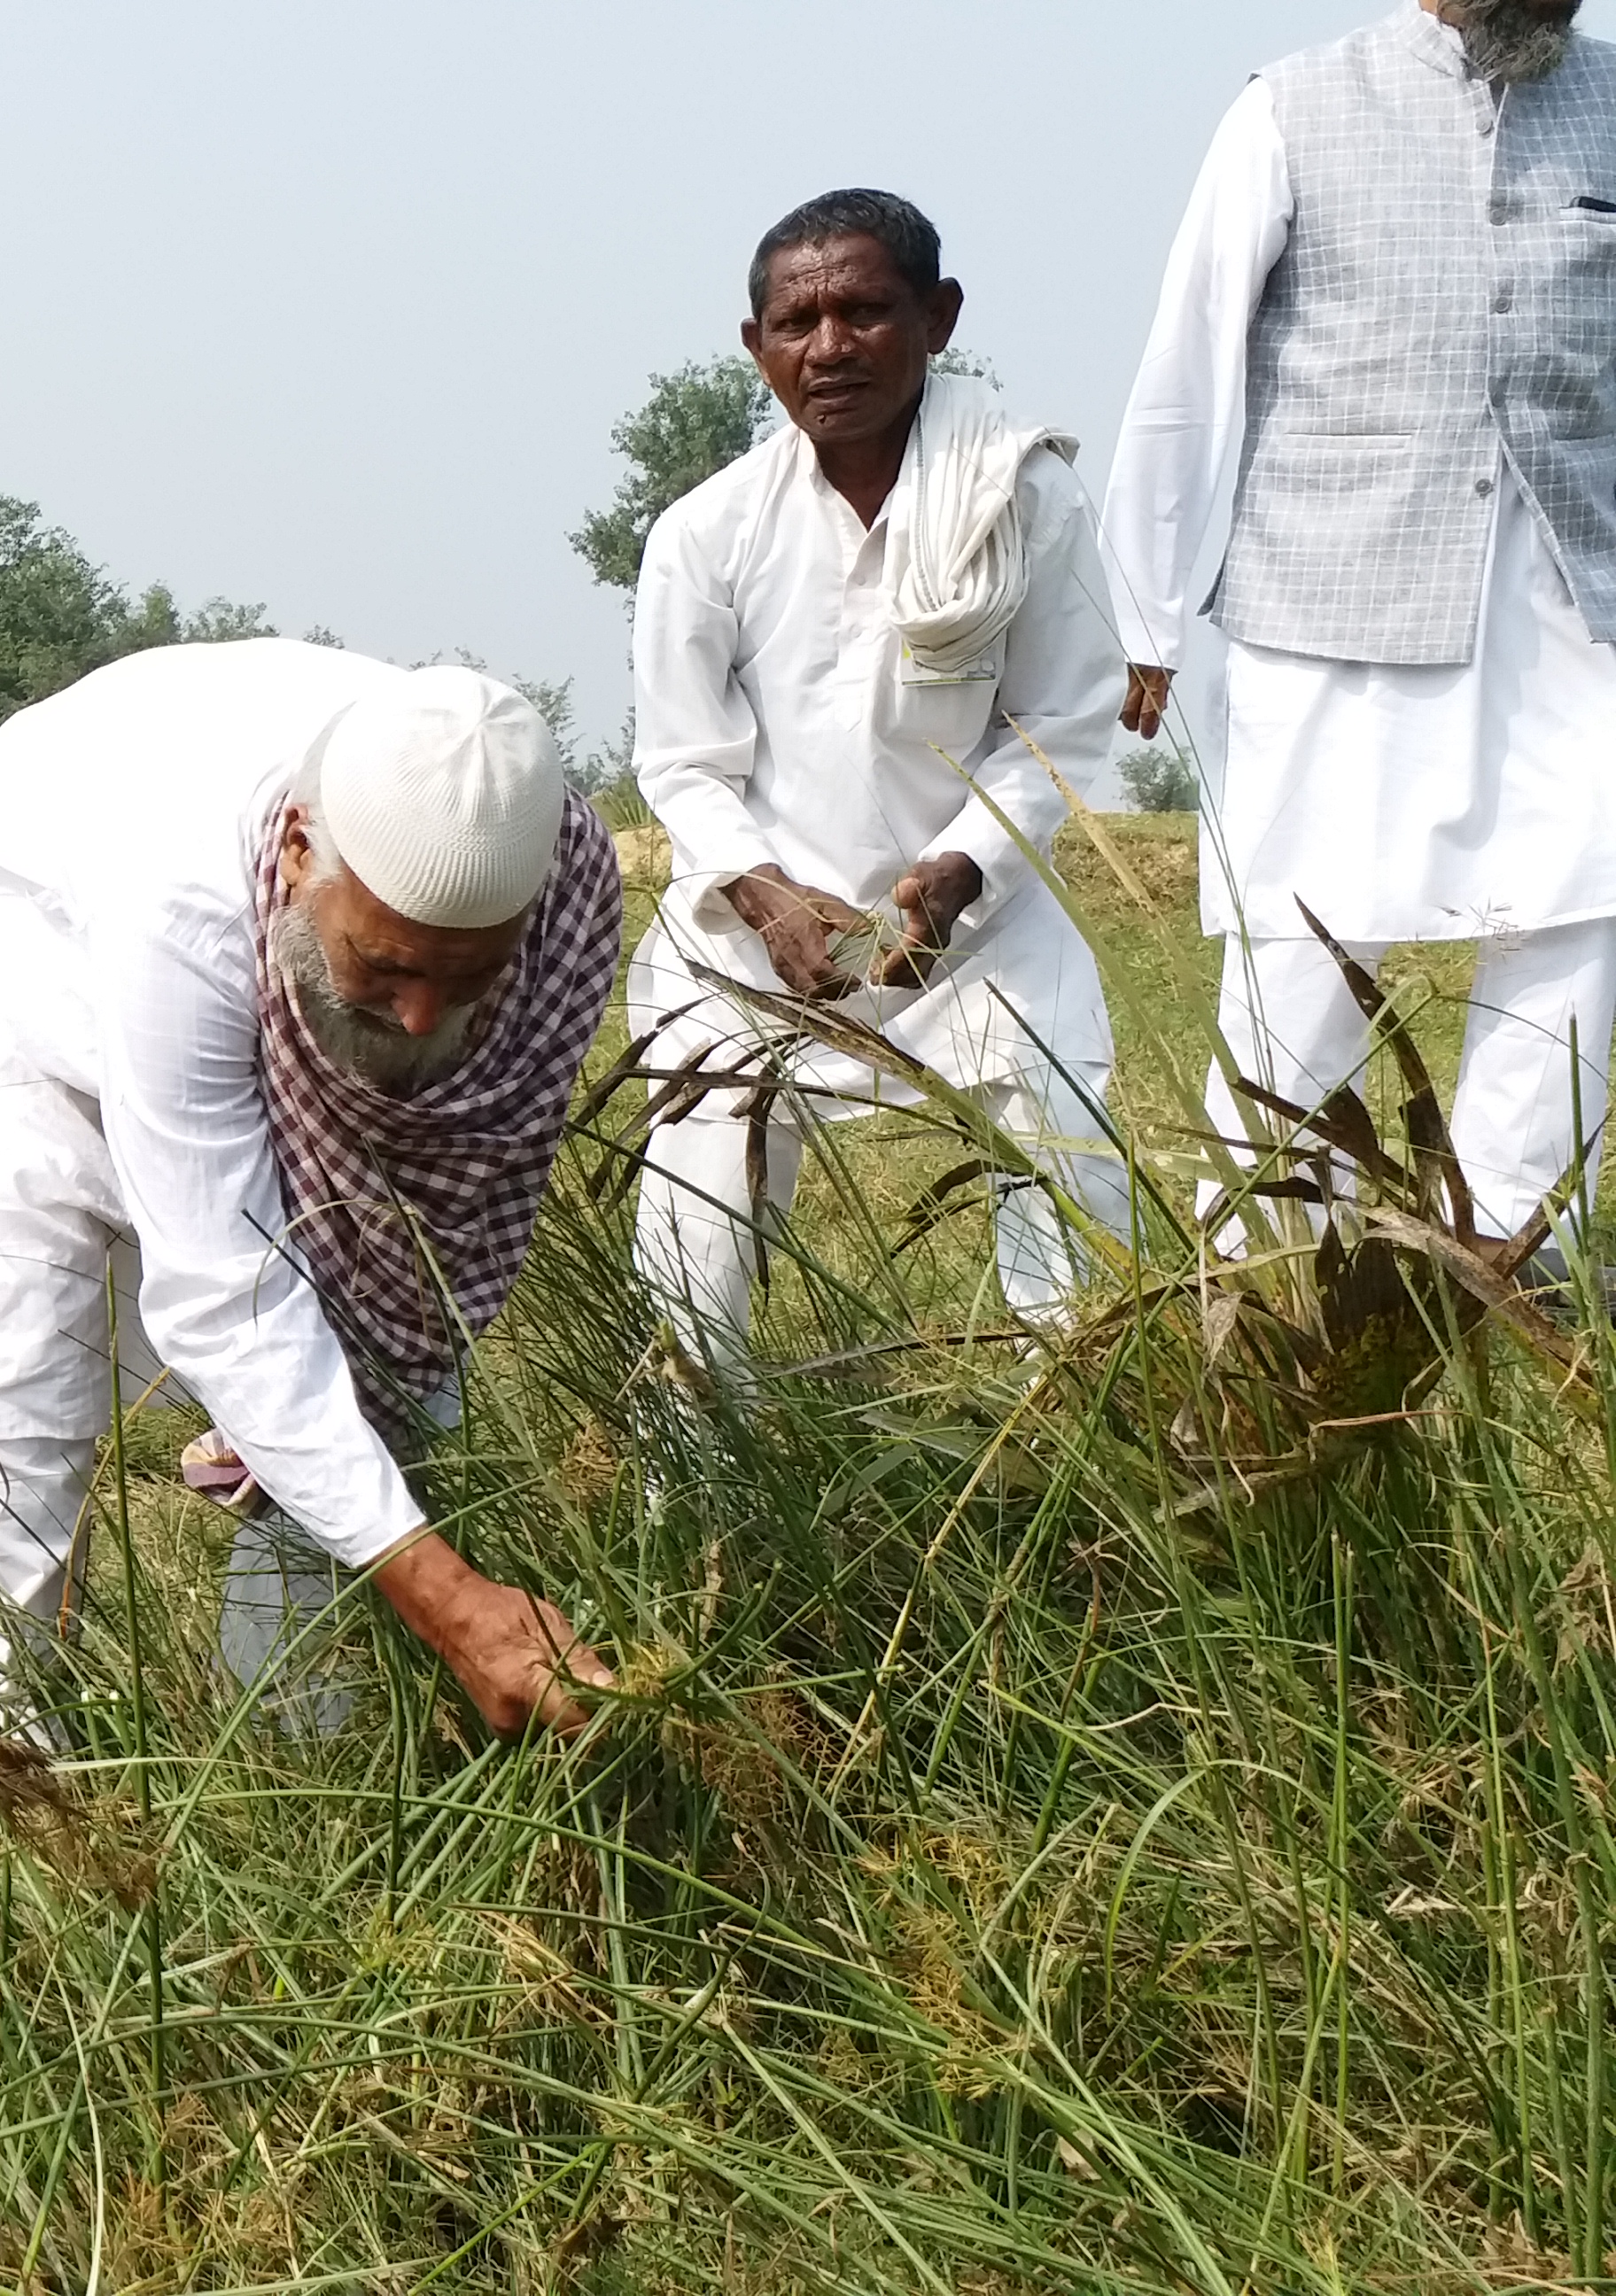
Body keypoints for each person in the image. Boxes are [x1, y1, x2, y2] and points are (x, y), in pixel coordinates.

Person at [0, 643, 620, 1741]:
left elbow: (442, 1196)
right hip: (41, 956)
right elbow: (230, 1290)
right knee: (14, 1392)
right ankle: (13, 1741)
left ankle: (312, 1731)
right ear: (305, 853)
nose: (421, 1018)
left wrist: (339, 1387)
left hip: (238, 938)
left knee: (364, 1388)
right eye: (386, 967)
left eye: (464, 978)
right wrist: (455, 1604)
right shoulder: (178, 901)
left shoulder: (566, 889)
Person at [1106, 0, 1616, 1261]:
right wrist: (1151, 609)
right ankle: (1263, 1290)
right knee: (1301, 955)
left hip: (1574, 611)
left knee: (1580, 926)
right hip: (1331, 611)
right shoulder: (1289, 106)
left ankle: (1520, 1270)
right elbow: (1189, 367)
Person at [626, 190, 1134, 1370]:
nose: (831, 347)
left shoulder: (1024, 497)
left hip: (977, 927)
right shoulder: (706, 534)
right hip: (757, 939)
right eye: (797, 322)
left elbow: (1061, 721)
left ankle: (1072, 1438)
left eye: (867, 311)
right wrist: (764, 895)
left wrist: (958, 872)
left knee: (1067, 1152)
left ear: (939, 319)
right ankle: (698, 1491)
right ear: (755, 347)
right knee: (695, 1231)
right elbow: (684, 762)